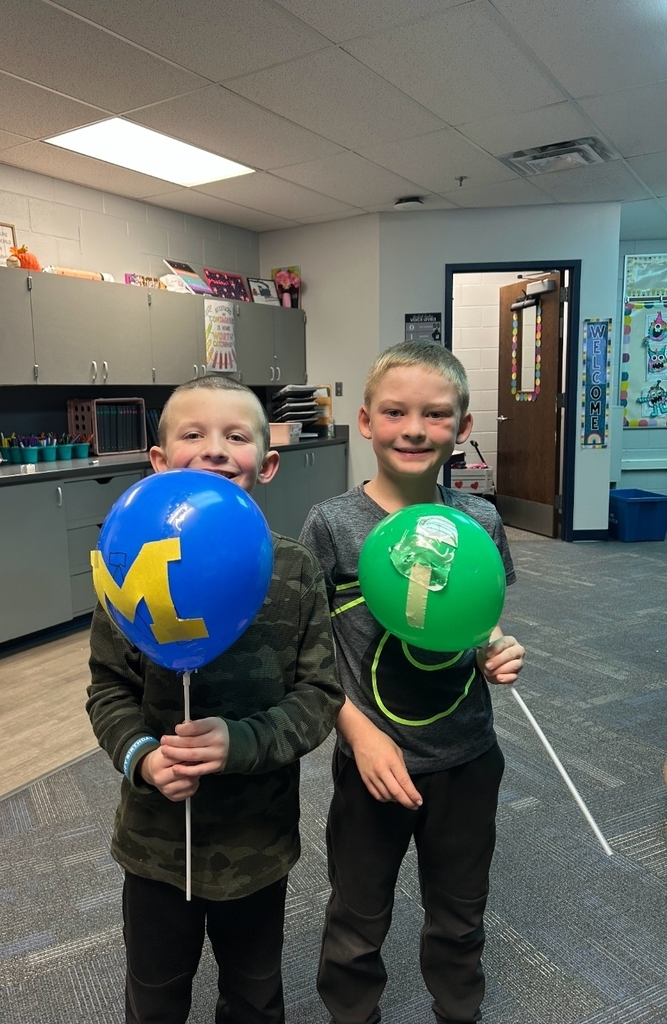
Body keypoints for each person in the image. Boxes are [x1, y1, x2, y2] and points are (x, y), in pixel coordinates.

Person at [87, 375, 344, 1024]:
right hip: (154, 845)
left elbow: (319, 695)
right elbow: (109, 689)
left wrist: (241, 742)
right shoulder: (129, 559)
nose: (215, 448)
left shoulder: (294, 570)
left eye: (236, 436)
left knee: (254, 994)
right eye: (193, 434)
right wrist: (143, 756)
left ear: (268, 463)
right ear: (158, 460)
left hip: (256, 844)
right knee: (154, 992)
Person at [299, 342, 525, 1024]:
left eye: (436, 414)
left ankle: (459, 1012)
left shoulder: (479, 520)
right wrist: (359, 736)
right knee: (356, 916)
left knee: (460, 915)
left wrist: (495, 651)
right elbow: (307, 657)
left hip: (466, 756)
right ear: (367, 422)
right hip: (373, 763)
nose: (415, 429)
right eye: (395, 412)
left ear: (462, 427)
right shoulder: (332, 525)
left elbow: (476, 619)